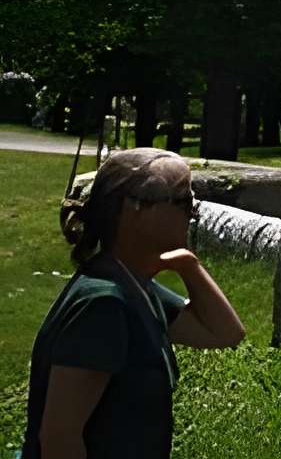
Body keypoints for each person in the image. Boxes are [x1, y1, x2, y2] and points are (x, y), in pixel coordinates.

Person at [19, 149, 245, 459]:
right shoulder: (103, 305)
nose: (193, 213)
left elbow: (225, 333)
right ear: (135, 209)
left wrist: (188, 265)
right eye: (182, 201)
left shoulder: (137, 289)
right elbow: (59, 439)